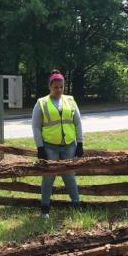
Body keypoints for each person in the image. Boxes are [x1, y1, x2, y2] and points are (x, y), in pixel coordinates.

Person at [32, 70, 84, 219]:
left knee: (70, 176)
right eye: (56, 87)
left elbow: (78, 122)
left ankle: (76, 204)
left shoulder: (70, 100)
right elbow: (36, 126)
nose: (59, 90)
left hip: (69, 145)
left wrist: (79, 143)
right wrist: (40, 147)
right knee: (49, 176)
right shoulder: (41, 103)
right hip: (50, 146)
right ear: (50, 86)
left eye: (61, 87)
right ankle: (45, 208)